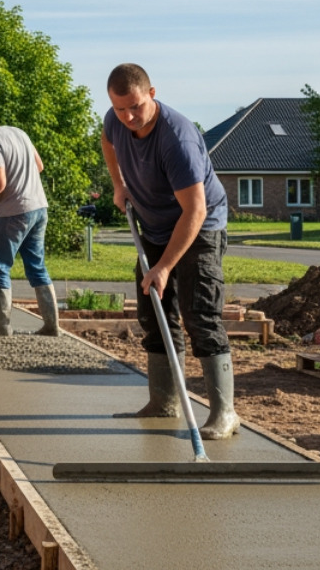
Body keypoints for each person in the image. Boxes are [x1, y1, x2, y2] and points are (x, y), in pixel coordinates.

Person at [100, 63, 239, 438]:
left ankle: (225, 414)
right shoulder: (115, 120)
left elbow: (196, 211)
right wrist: (118, 184)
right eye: (120, 108)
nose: (128, 117)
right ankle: (164, 402)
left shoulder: (177, 140)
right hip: (155, 224)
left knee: (200, 314)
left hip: (200, 227)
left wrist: (164, 266)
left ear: (152, 93)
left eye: (136, 106)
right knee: (153, 309)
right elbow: (108, 141)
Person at [0, 104, 59, 337]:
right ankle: (52, 326)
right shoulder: (19, 132)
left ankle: (2, 327)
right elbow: (39, 166)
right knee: (37, 266)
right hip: (39, 207)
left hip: (13, 212)